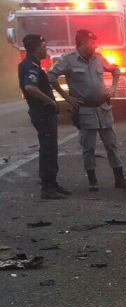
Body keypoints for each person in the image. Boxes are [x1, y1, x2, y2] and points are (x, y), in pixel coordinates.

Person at [48, 30, 126, 192]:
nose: (94, 46)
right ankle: (92, 180)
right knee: (88, 147)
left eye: (95, 42)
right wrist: (67, 98)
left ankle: (120, 178)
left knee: (111, 145)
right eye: (91, 43)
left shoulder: (99, 58)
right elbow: (51, 77)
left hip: (103, 108)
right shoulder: (68, 60)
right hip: (85, 110)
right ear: (81, 43)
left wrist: (113, 88)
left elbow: (116, 70)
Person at [19, 35, 72, 199]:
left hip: (45, 114)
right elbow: (30, 87)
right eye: (43, 45)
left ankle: (52, 183)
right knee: (48, 150)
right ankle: (48, 188)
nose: (46, 48)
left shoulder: (33, 64)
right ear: (36, 48)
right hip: (42, 113)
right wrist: (50, 100)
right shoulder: (30, 65)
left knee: (50, 148)